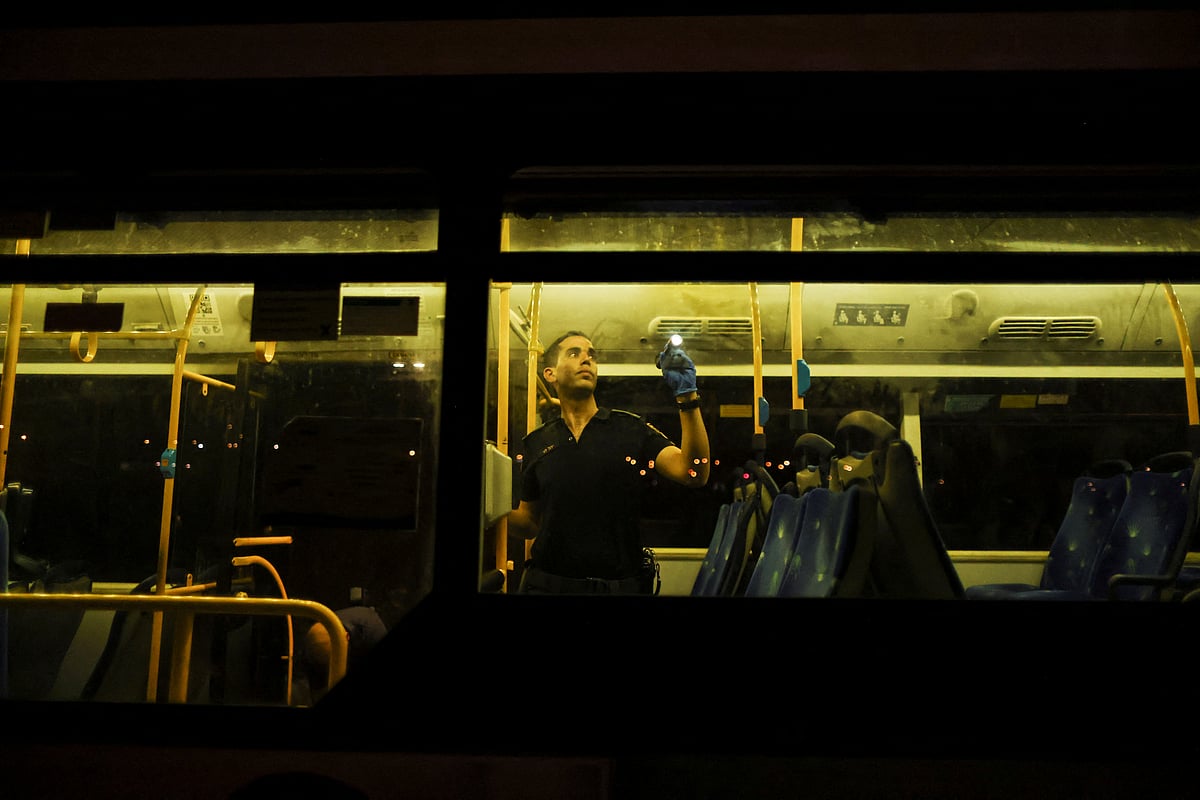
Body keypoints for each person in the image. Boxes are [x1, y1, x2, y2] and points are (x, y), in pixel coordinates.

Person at [507, 330, 710, 593]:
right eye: (574, 353)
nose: (586, 359)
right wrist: (485, 512)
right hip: (549, 586)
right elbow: (528, 522)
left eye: (591, 355)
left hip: (618, 588)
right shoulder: (536, 442)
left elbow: (693, 472)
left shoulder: (629, 428)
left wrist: (687, 398)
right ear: (550, 374)